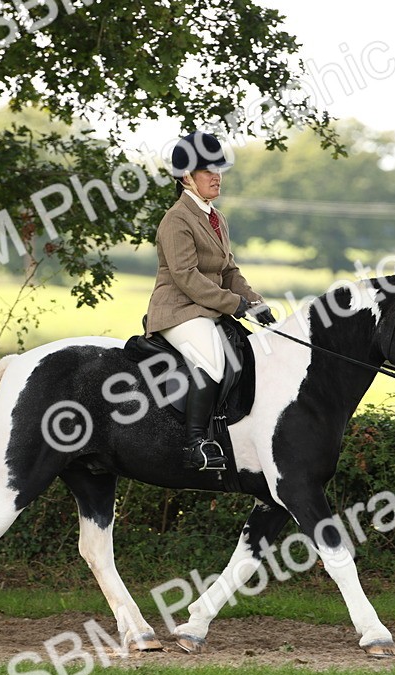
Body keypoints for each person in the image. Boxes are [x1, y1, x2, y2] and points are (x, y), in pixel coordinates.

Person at [146, 131, 276, 471]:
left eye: (219, 169)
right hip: (178, 311)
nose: (217, 176)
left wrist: (255, 302)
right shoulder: (177, 218)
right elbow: (187, 277)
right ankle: (196, 443)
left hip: (207, 309)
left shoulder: (215, 218)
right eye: (208, 170)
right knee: (211, 361)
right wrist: (235, 306)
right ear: (187, 177)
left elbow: (229, 270)